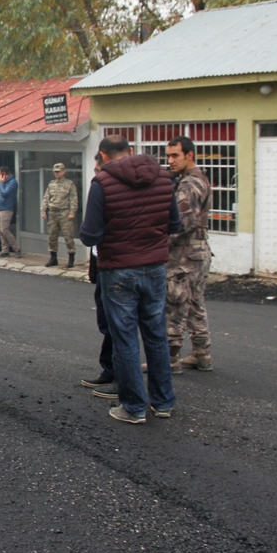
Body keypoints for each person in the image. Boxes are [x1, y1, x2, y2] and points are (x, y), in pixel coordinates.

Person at [79, 134, 181, 424]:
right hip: (155, 267)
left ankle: (134, 407)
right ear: (132, 151)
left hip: (118, 269)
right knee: (156, 335)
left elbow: (90, 234)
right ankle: (163, 402)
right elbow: (174, 224)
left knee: (125, 338)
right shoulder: (164, 178)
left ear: (103, 155)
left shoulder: (102, 183)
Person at [165, 135, 214, 371]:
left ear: (189, 155)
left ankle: (170, 356)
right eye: (168, 156)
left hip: (184, 253)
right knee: (195, 301)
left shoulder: (188, 185)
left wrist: (161, 242)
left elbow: (182, 223)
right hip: (199, 251)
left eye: (175, 155)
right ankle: (201, 352)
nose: (170, 161)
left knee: (175, 302)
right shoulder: (199, 178)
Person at [42, 162, 78, 268]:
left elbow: (73, 199)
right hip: (53, 212)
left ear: (63, 171)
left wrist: (72, 212)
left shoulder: (69, 184)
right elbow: (46, 198)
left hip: (64, 212)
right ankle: (53, 258)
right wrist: (43, 210)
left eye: (58, 171)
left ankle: (71, 259)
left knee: (68, 236)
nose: (56, 174)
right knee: (52, 236)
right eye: (55, 172)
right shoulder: (51, 184)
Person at [0, 166, 20, 258]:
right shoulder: (3, 182)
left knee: (4, 230)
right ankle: (5, 250)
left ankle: (17, 248)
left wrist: (1, 183)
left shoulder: (12, 182)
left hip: (6, 209)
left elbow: (4, 193)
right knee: (0, 230)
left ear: (3, 174)